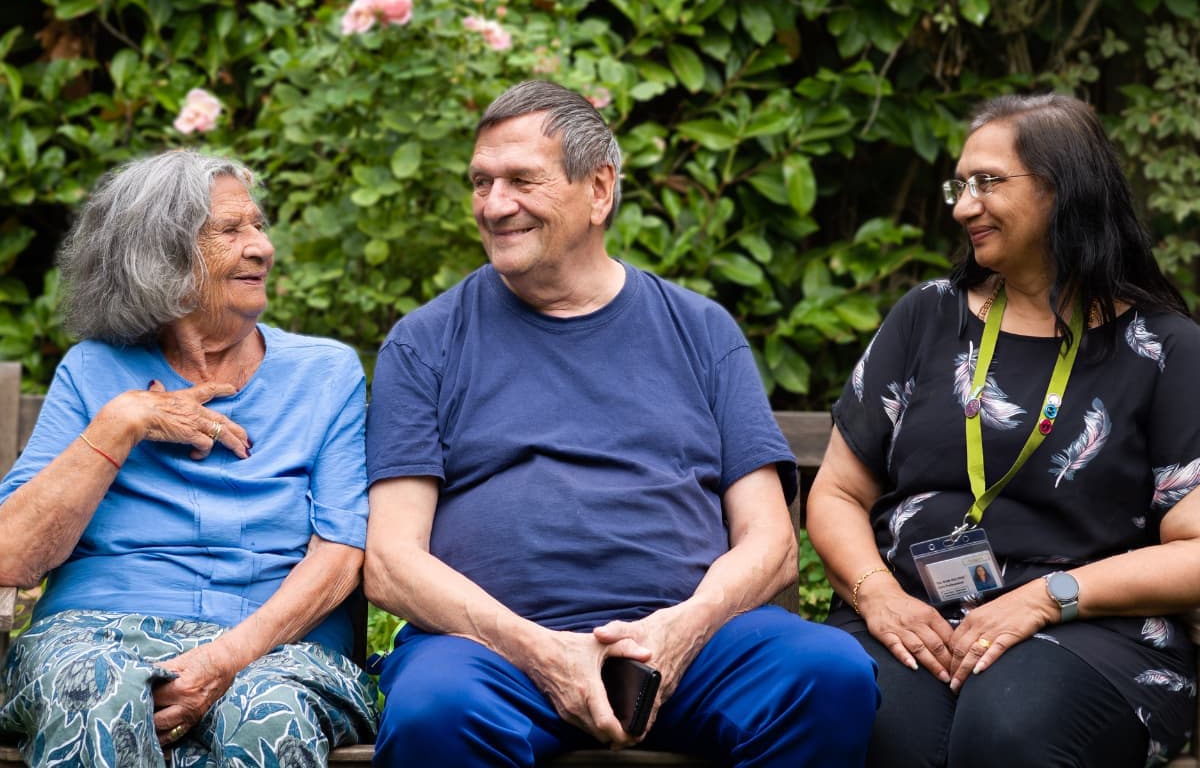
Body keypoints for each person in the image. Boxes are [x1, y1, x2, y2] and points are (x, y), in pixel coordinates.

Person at [364, 80, 878, 766]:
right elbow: (393, 563)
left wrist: (681, 631)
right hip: (492, 656)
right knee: (435, 711)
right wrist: (539, 650)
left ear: (599, 189)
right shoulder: (425, 342)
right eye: (480, 182)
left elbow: (770, 541)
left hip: (693, 650)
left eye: (521, 180)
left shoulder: (700, 330)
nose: (494, 205)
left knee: (827, 675)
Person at [807, 93, 1200, 768]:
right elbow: (838, 490)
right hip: (913, 617)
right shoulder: (927, 318)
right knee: (880, 728)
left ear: (1064, 192)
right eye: (958, 185)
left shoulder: (1165, 349)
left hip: (1089, 628)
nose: (962, 206)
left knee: (1007, 736)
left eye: (988, 183)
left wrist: (1048, 599)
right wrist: (877, 597)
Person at [0, 151, 376, 767]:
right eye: (231, 231)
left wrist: (226, 659)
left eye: (258, 226)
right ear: (160, 258)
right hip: (95, 633)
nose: (261, 247)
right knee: (92, 692)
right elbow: (12, 555)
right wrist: (121, 424)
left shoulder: (324, 372)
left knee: (266, 716)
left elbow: (340, 554)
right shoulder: (95, 370)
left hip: (273, 646)